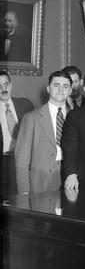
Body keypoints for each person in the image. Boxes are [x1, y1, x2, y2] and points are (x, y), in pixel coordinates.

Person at [15, 71, 73, 194]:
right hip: (40, 182)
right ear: (48, 88)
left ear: (71, 90)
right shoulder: (31, 118)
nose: (61, 89)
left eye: (65, 86)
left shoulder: (76, 117)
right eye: (56, 85)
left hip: (70, 180)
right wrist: (24, 192)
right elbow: (22, 159)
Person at [0, 69, 34, 198]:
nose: (3, 89)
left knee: (22, 198)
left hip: (22, 159)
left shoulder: (26, 105)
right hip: (3, 160)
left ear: (11, 85)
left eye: (6, 84)